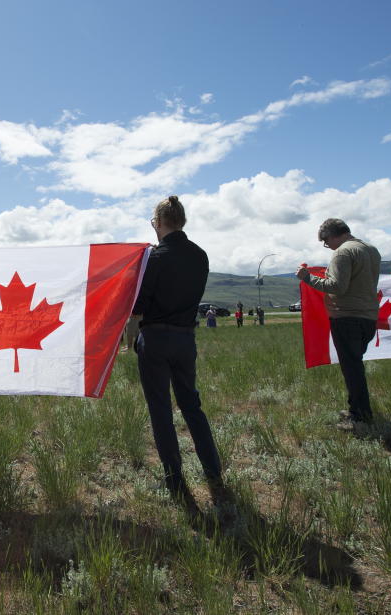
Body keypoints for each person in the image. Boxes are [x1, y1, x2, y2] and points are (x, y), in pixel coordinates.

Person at [133, 195, 224, 512]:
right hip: (186, 339)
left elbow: (140, 305)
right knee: (191, 405)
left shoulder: (156, 259)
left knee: (160, 409)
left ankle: (174, 477)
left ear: (158, 223)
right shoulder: (200, 256)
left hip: (155, 338)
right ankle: (213, 469)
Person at [297, 218, 381, 426]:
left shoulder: (343, 252)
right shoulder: (371, 249)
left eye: (326, 242)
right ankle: (357, 408)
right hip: (368, 316)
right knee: (355, 364)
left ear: (334, 235)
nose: (328, 246)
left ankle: (360, 414)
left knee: (352, 367)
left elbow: (337, 286)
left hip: (346, 316)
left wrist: (307, 278)